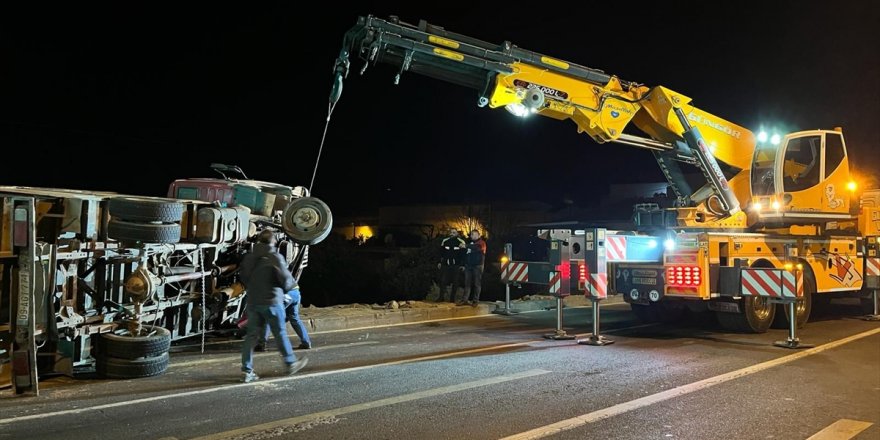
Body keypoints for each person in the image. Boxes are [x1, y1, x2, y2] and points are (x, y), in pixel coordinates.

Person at [239, 230, 308, 383]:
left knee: (251, 337)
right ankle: (290, 363)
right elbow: (287, 281)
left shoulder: (250, 257)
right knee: (280, 333)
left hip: (253, 302)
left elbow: (243, 277)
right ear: (273, 242)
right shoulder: (275, 257)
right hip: (272, 302)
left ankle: (246, 371)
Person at [257, 286, 312, 351]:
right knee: (295, 319)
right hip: (296, 293)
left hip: (285, 295)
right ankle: (306, 343)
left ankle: (262, 344)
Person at [437, 228, 466, 302]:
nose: (452, 233)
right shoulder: (445, 241)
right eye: (451, 232)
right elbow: (441, 252)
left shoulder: (461, 241)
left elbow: (463, 254)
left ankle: (452, 299)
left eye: (454, 232)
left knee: (455, 282)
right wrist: (439, 262)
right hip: (446, 265)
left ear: (457, 234)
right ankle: (441, 297)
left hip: (456, 265)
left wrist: (462, 265)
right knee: (443, 281)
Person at [460, 229, 487, 306]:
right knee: (467, 283)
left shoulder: (482, 243)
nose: (473, 236)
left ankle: (475, 301)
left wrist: (465, 246)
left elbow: (476, 248)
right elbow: (466, 255)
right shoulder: (471, 243)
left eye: (475, 234)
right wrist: (464, 264)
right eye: (472, 234)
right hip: (469, 266)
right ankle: (464, 300)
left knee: (477, 284)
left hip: (477, 266)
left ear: (479, 235)